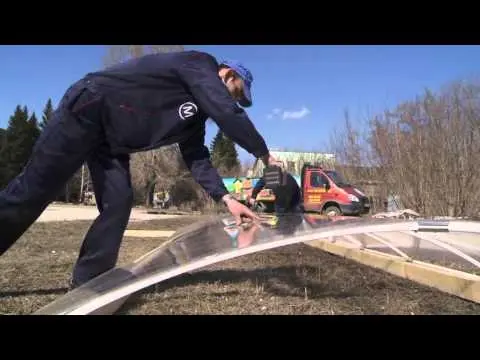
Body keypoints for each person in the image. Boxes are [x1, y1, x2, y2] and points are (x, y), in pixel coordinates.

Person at [0, 50, 282, 289]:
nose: (233, 101)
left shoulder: (196, 117)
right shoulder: (200, 64)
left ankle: (88, 282)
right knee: (35, 189)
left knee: (119, 202)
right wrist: (264, 155)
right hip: (89, 108)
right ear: (229, 75)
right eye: (235, 94)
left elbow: (196, 156)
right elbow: (224, 109)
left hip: (111, 143)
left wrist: (227, 199)